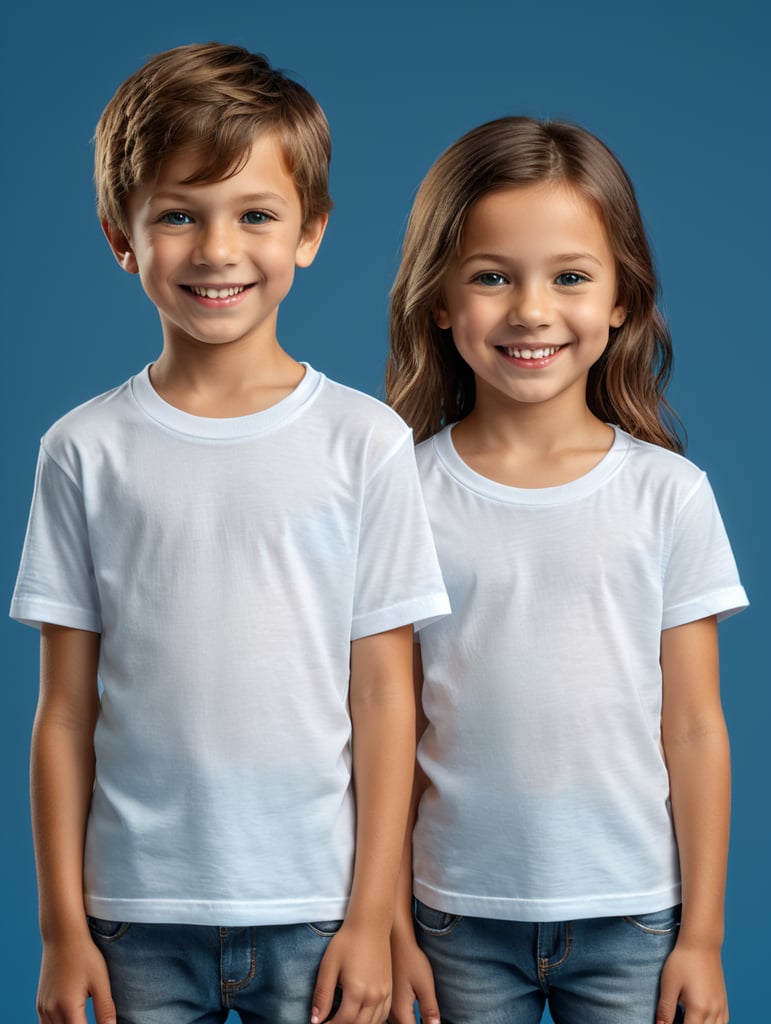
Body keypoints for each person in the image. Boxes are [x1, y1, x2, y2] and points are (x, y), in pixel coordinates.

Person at [11, 42, 449, 1024]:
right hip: (132, 919)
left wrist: (376, 914)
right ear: (121, 238)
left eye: (255, 213)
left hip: (317, 912)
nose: (216, 249)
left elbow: (386, 696)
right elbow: (64, 710)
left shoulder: (364, 443)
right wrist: (61, 929)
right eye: (177, 214)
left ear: (311, 232)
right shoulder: (83, 450)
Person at [385, 116, 748, 1024]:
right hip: (452, 916)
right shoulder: (400, 495)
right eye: (491, 276)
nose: (531, 310)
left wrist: (699, 938)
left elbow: (695, 727)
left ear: (622, 297)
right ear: (438, 299)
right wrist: (390, 922)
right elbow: (382, 737)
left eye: (570, 277)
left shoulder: (668, 496)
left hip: (632, 916)